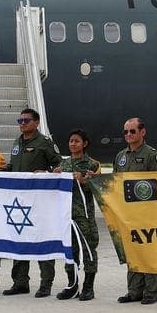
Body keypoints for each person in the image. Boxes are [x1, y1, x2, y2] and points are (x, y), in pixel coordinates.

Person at [0, 108, 63, 298]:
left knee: (42, 239)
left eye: (26, 120)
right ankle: (20, 282)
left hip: (39, 200)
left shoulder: (44, 143)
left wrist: (48, 173)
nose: (22, 123)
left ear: (36, 122)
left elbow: (58, 165)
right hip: (19, 198)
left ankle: (46, 283)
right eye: (20, 120)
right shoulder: (16, 142)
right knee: (19, 238)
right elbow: (13, 167)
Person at [114, 117, 157, 304]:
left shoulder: (152, 155)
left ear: (142, 132)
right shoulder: (121, 156)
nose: (128, 135)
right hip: (128, 214)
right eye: (126, 132)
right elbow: (115, 182)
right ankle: (134, 290)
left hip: (148, 213)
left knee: (150, 251)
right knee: (132, 251)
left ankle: (151, 291)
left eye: (132, 131)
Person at [61, 129, 102, 301]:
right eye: (71, 141)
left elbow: (98, 187)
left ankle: (88, 287)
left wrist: (85, 180)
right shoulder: (63, 164)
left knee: (88, 250)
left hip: (84, 215)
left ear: (84, 144)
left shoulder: (93, 165)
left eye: (77, 141)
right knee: (70, 252)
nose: (73, 144)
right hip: (66, 215)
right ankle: (72, 285)